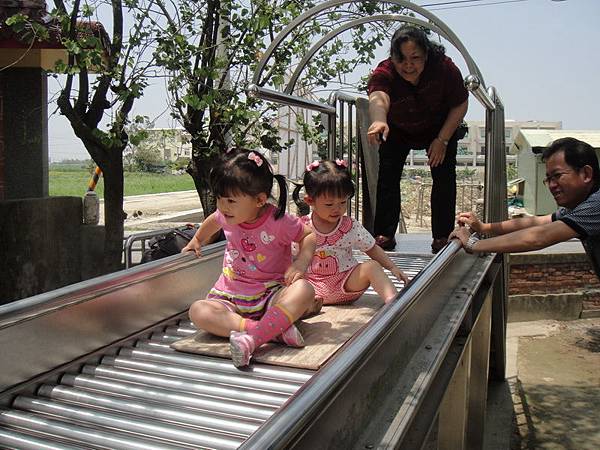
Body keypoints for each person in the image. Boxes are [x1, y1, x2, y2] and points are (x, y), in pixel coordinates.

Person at [181, 148, 317, 368]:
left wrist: (301, 262)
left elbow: (309, 235)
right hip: (229, 295)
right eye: (218, 198)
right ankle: (269, 331)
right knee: (198, 311)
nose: (222, 207)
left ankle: (256, 336)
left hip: (270, 294)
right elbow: (212, 221)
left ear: (260, 200)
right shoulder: (226, 215)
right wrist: (197, 240)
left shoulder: (278, 221)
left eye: (231, 201)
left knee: (304, 290)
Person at [366, 24, 469, 253]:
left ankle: (442, 236)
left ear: (427, 54)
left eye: (415, 58)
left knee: (444, 176)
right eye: (401, 58)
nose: (408, 65)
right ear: (392, 57)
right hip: (399, 129)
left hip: (438, 128)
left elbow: (460, 102)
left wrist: (442, 140)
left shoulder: (444, 68)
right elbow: (378, 96)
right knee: (388, 177)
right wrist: (379, 120)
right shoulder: (385, 72)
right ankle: (384, 234)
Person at [450, 137, 600, 280]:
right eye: (548, 179)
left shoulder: (595, 205)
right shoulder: (578, 205)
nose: (552, 185)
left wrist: (473, 244)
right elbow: (539, 223)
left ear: (586, 174)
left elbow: (539, 237)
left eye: (557, 175)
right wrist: (483, 227)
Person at [294, 159, 409, 305]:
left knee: (372, 266)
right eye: (329, 204)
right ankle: (307, 305)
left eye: (343, 202)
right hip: (311, 288)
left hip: (346, 284)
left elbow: (372, 248)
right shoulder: (301, 226)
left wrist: (392, 267)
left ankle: (393, 303)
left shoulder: (349, 226)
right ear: (310, 200)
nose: (337, 209)